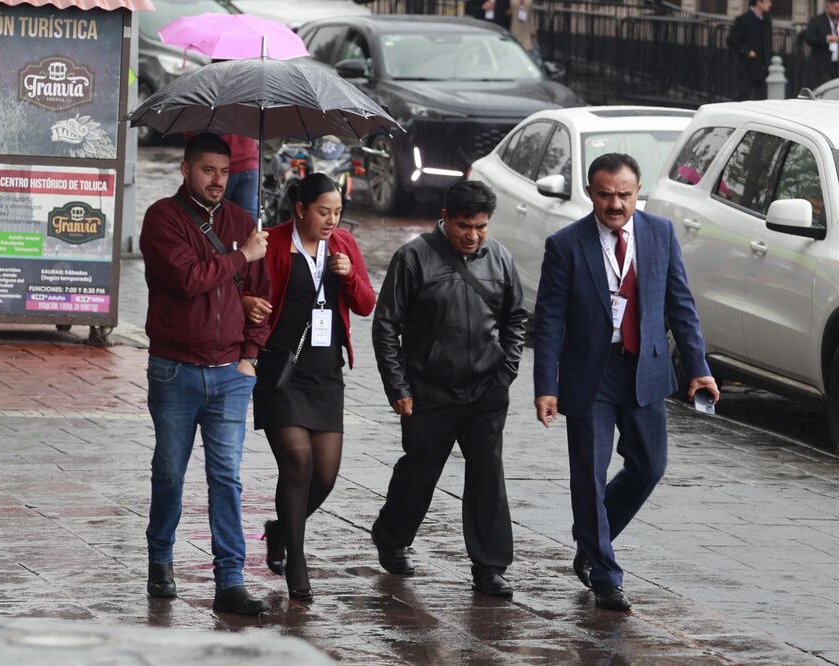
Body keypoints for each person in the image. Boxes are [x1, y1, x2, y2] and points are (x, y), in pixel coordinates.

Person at [533, 153, 720, 612]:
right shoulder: (566, 244)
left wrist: (698, 367)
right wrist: (546, 385)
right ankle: (606, 574)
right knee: (589, 477)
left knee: (649, 466)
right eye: (605, 194)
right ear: (591, 193)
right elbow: (549, 320)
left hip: (646, 370)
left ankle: (591, 543)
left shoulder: (660, 233)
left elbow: (681, 304)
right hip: (589, 376)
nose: (615, 204)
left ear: (638, 192)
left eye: (624, 194)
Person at [370, 180, 527, 597]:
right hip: (428, 389)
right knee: (420, 469)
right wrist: (397, 385)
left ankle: (490, 565)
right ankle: (391, 535)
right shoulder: (413, 258)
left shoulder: (501, 259)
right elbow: (386, 324)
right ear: (445, 218)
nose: (473, 236)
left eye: (481, 226)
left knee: (487, 473)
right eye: (464, 226)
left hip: (487, 390)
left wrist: (506, 370)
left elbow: (516, 319)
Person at [139, 132, 271, 615]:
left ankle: (230, 579)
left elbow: (263, 299)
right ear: (186, 170)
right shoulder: (162, 219)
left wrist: (250, 354)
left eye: (224, 171)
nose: (218, 180)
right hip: (175, 369)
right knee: (170, 472)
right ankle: (160, 557)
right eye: (208, 170)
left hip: (232, 372)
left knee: (226, 478)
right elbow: (188, 280)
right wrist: (242, 255)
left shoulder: (242, 222)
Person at [242, 173, 375, 601]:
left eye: (337, 212)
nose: (331, 220)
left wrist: (349, 274)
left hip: (325, 372)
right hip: (281, 367)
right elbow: (243, 291)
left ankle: (280, 530)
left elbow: (366, 303)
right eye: (323, 211)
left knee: (326, 475)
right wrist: (248, 303)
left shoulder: (343, 245)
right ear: (300, 208)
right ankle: (297, 561)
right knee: (297, 463)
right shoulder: (274, 242)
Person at [726, 0, 773, 101]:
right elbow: (731, 40)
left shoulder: (767, 20)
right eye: (767, 2)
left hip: (762, 66)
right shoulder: (743, 20)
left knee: (761, 99)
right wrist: (747, 51)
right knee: (743, 96)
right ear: (759, 3)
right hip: (746, 66)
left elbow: (767, 43)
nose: (770, 4)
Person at [805, 0, 839, 89]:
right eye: (836, 8)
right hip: (824, 67)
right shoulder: (816, 21)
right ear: (828, 6)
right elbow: (809, 39)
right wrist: (827, 39)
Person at [221, 134, 260, 221]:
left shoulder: (218, 121)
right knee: (249, 213)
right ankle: (252, 233)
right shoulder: (250, 120)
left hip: (227, 164)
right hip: (250, 164)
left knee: (221, 211)